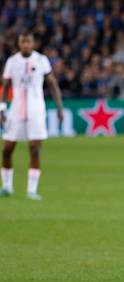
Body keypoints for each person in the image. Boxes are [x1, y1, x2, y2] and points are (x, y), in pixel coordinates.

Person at [0, 31, 64, 200]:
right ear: (19, 43)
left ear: (33, 43)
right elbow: (6, 87)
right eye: (23, 42)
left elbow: (52, 84)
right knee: (7, 150)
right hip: (15, 111)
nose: (25, 45)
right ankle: (7, 186)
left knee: (34, 149)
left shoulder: (41, 60)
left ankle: (32, 190)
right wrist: (1, 108)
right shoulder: (12, 62)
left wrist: (59, 107)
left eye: (28, 42)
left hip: (36, 110)